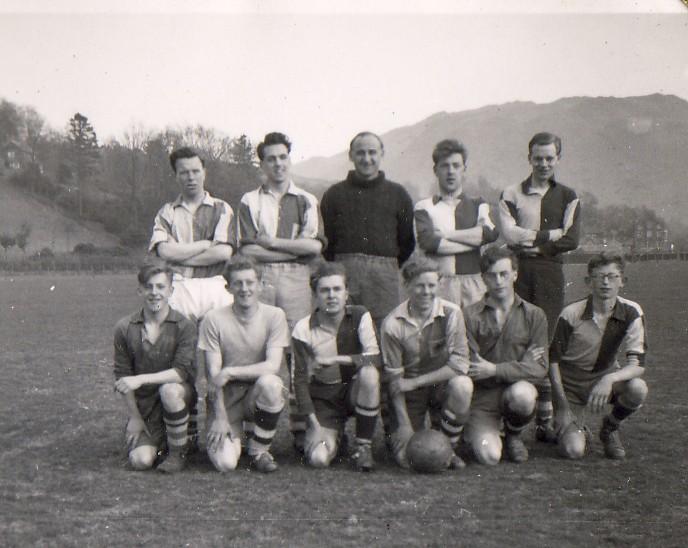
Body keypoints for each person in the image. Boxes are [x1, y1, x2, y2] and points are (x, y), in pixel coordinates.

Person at [237, 131, 323, 451]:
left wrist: (272, 243)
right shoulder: (250, 200)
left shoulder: (306, 200)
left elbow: (313, 247)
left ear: (290, 158)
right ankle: (256, 428)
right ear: (262, 163)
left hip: (297, 279)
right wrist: (293, 249)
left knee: (298, 349)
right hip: (261, 277)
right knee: (258, 347)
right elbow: (247, 251)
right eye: (270, 158)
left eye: (283, 157)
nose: (278, 163)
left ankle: (300, 429)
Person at [498, 132, 581, 440]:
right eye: (538, 158)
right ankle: (512, 422)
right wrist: (551, 235)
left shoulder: (569, 196)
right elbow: (509, 235)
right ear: (528, 158)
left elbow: (572, 239)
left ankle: (544, 421)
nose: (544, 163)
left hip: (550, 273)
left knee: (543, 343)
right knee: (515, 338)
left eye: (549, 158)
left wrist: (533, 241)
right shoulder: (511, 193)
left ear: (558, 158)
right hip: (519, 271)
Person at [549, 253, 648, 460]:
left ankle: (610, 428)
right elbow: (553, 361)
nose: (605, 282)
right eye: (599, 276)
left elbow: (637, 364)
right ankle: (576, 427)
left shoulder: (632, 312)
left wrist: (609, 378)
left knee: (638, 389)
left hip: (604, 378)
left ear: (622, 281)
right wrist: (562, 406)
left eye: (612, 277)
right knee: (572, 451)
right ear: (588, 281)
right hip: (570, 385)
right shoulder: (571, 313)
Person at [199, 256, 288, 473]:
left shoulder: (275, 316)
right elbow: (214, 375)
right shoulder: (213, 319)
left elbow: (272, 366)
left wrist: (230, 371)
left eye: (250, 282)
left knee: (272, 384)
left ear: (260, 285)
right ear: (228, 287)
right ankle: (240, 433)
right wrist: (219, 417)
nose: (244, 288)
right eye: (238, 283)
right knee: (225, 464)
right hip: (227, 401)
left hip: (255, 395)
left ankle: (259, 450)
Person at [381, 257, 472, 469]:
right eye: (420, 285)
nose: (426, 291)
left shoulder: (451, 313)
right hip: (409, 393)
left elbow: (460, 364)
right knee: (407, 459)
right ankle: (396, 427)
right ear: (407, 286)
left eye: (432, 285)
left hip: (439, 385)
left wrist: (416, 382)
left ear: (439, 285)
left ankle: (449, 447)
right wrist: (404, 425)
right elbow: (394, 379)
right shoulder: (392, 323)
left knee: (463, 385)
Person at [462, 247, 549, 465]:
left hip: (514, 390)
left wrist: (494, 369)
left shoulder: (534, 314)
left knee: (524, 394)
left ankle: (513, 435)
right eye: (492, 275)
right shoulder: (469, 315)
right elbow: (473, 368)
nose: (499, 281)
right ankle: (477, 432)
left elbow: (540, 368)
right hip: (482, 398)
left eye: (504, 274)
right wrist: (522, 364)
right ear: (483, 278)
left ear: (515, 274)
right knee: (489, 457)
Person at [292, 261, 381, 471]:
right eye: (324, 290)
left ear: (346, 292)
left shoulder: (360, 315)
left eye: (337, 289)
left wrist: (337, 360)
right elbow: (299, 380)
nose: (331, 295)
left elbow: (375, 358)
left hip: (353, 389)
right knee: (318, 459)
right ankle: (336, 438)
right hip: (324, 398)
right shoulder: (303, 328)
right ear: (315, 295)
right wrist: (313, 425)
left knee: (369, 374)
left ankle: (363, 446)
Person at [320, 131, 415, 329]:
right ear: (351, 155)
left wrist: (383, 265)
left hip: (384, 280)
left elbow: (406, 242)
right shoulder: (334, 195)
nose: (366, 159)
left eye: (372, 152)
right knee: (344, 329)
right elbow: (328, 243)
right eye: (360, 153)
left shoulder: (399, 194)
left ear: (382, 154)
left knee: (385, 332)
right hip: (345, 274)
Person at [113, 262, 198, 473]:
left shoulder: (184, 326)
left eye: (161, 287)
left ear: (171, 290)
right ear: (140, 289)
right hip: (145, 407)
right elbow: (123, 377)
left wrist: (141, 379)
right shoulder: (125, 327)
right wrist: (134, 417)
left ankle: (178, 453)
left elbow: (180, 372)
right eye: (149, 287)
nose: (154, 293)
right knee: (141, 461)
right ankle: (169, 439)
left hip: (177, 396)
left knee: (169, 389)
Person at [149, 146, 234, 322]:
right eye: (184, 172)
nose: (191, 177)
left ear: (204, 172)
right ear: (176, 175)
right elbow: (164, 252)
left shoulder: (222, 208)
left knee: (218, 347)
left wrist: (178, 255)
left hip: (215, 285)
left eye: (195, 171)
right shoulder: (167, 212)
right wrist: (204, 245)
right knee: (180, 347)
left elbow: (223, 252)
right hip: (179, 287)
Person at [414, 139, 499, 308]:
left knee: (474, 332)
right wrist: (474, 240)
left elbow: (489, 233)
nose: (451, 171)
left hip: (474, 285)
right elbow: (428, 243)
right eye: (445, 166)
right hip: (439, 285)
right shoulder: (424, 206)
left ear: (464, 170)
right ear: (435, 170)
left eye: (456, 165)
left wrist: (445, 234)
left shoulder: (478, 203)